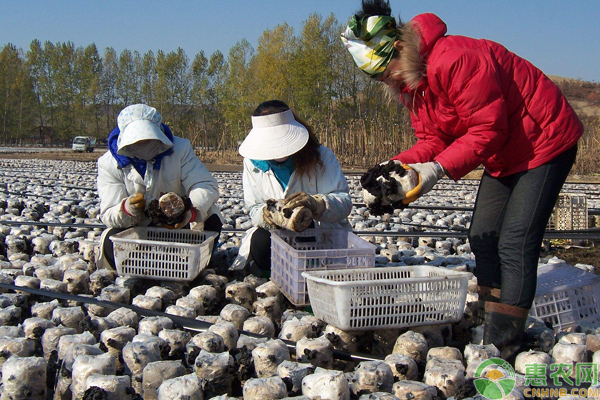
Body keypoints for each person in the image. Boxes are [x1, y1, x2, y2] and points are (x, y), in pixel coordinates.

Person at [343, 0, 583, 360]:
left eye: (384, 71)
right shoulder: (414, 86)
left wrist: (436, 169)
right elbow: (433, 140)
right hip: (504, 152)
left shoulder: (455, 58)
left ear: (399, 47)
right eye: (377, 79)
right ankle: (493, 324)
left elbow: (487, 128)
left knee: (515, 242)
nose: (386, 80)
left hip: (544, 142)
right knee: (481, 235)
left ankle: (504, 347)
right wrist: (393, 166)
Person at [231, 100, 352, 276]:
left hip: (319, 232)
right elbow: (254, 207)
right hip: (278, 234)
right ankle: (273, 280)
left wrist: (317, 204)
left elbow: (344, 201)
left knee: (308, 228)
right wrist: (268, 216)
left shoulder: (322, 156)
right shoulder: (252, 163)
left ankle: (314, 276)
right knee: (260, 242)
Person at [96, 103, 223, 269]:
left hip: (176, 226)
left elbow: (204, 184)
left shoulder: (180, 149)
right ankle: (141, 270)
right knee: (110, 241)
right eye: (137, 141)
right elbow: (108, 213)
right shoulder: (109, 163)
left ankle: (187, 266)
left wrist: (189, 212)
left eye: (148, 140)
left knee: (211, 217)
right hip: (139, 229)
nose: (143, 144)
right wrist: (128, 209)